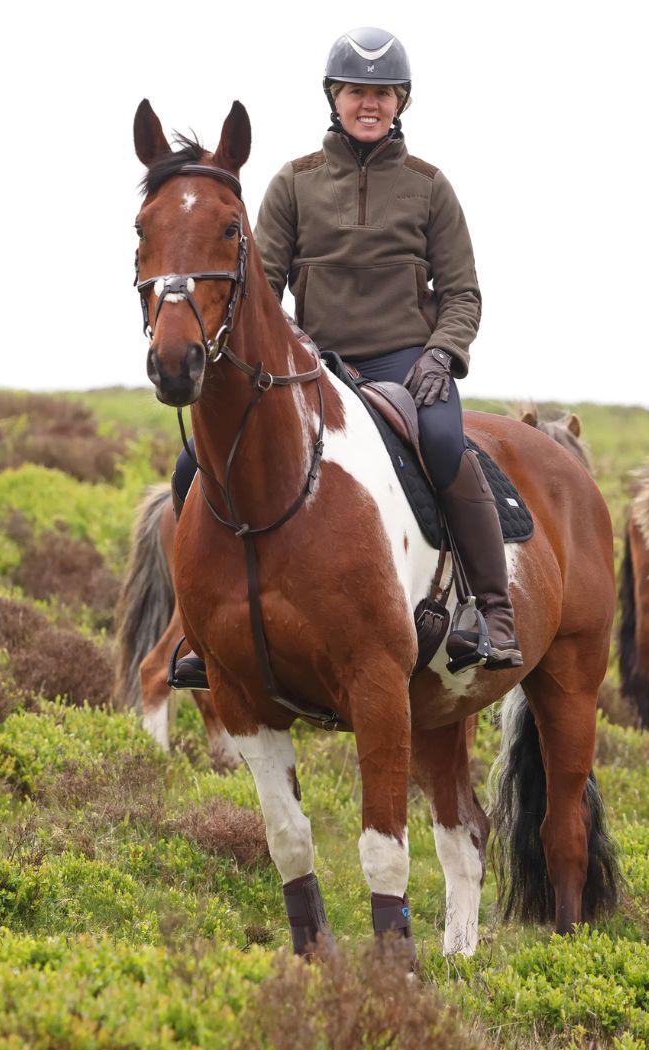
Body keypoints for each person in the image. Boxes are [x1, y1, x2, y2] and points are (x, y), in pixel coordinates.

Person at [173, 26, 520, 686]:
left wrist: (441, 355)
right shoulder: (294, 183)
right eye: (357, 91)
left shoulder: (429, 187)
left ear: (402, 103)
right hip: (312, 362)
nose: (370, 103)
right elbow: (261, 289)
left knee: (447, 445)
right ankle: (202, 631)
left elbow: (462, 292)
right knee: (192, 461)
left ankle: (491, 612)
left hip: (405, 363)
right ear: (333, 97)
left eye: (384, 93)